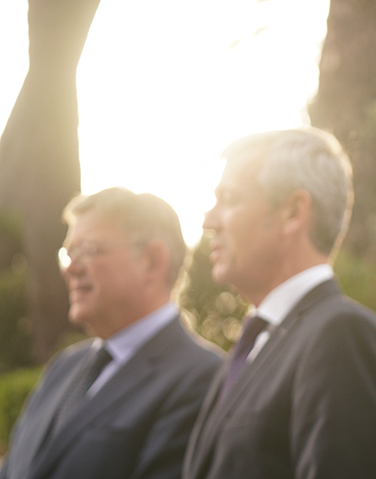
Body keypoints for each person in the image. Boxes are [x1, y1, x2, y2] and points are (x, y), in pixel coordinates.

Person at [181, 128, 376, 479]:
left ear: (293, 213)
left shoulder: (341, 336)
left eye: (230, 199)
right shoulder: (254, 344)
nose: (209, 221)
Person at [0, 188, 221, 479]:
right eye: (68, 253)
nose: (71, 268)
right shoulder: (64, 367)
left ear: (153, 260)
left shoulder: (204, 379)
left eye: (87, 250)